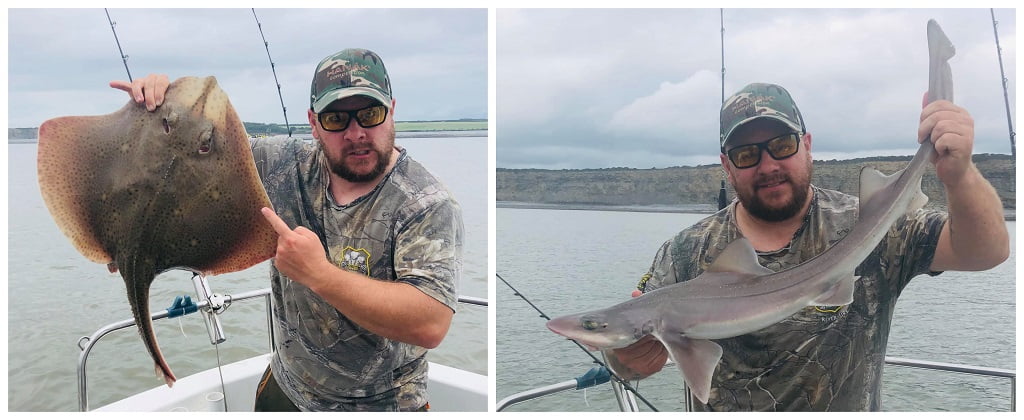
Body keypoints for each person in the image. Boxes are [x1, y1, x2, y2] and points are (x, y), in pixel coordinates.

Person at [606, 83, 1008, 411]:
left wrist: (960, 175)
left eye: (782, 144)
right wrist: (627, 361)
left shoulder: (869, 223)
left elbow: (985, 252)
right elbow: (629, 355)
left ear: (807, 144)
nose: (767, 166)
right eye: (746, 155)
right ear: (727, 166)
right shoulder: (686, 250)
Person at [113, 48, 464, 412]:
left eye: (369, 115)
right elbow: (195, 153)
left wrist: (320, 275)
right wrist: (160, 107)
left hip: (383, 407)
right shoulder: (282, 164)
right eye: (335, 119)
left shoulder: (424, 202)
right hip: (287, 389)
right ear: (313, 123)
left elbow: (430, 322)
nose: (356, 133)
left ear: (391, 112)